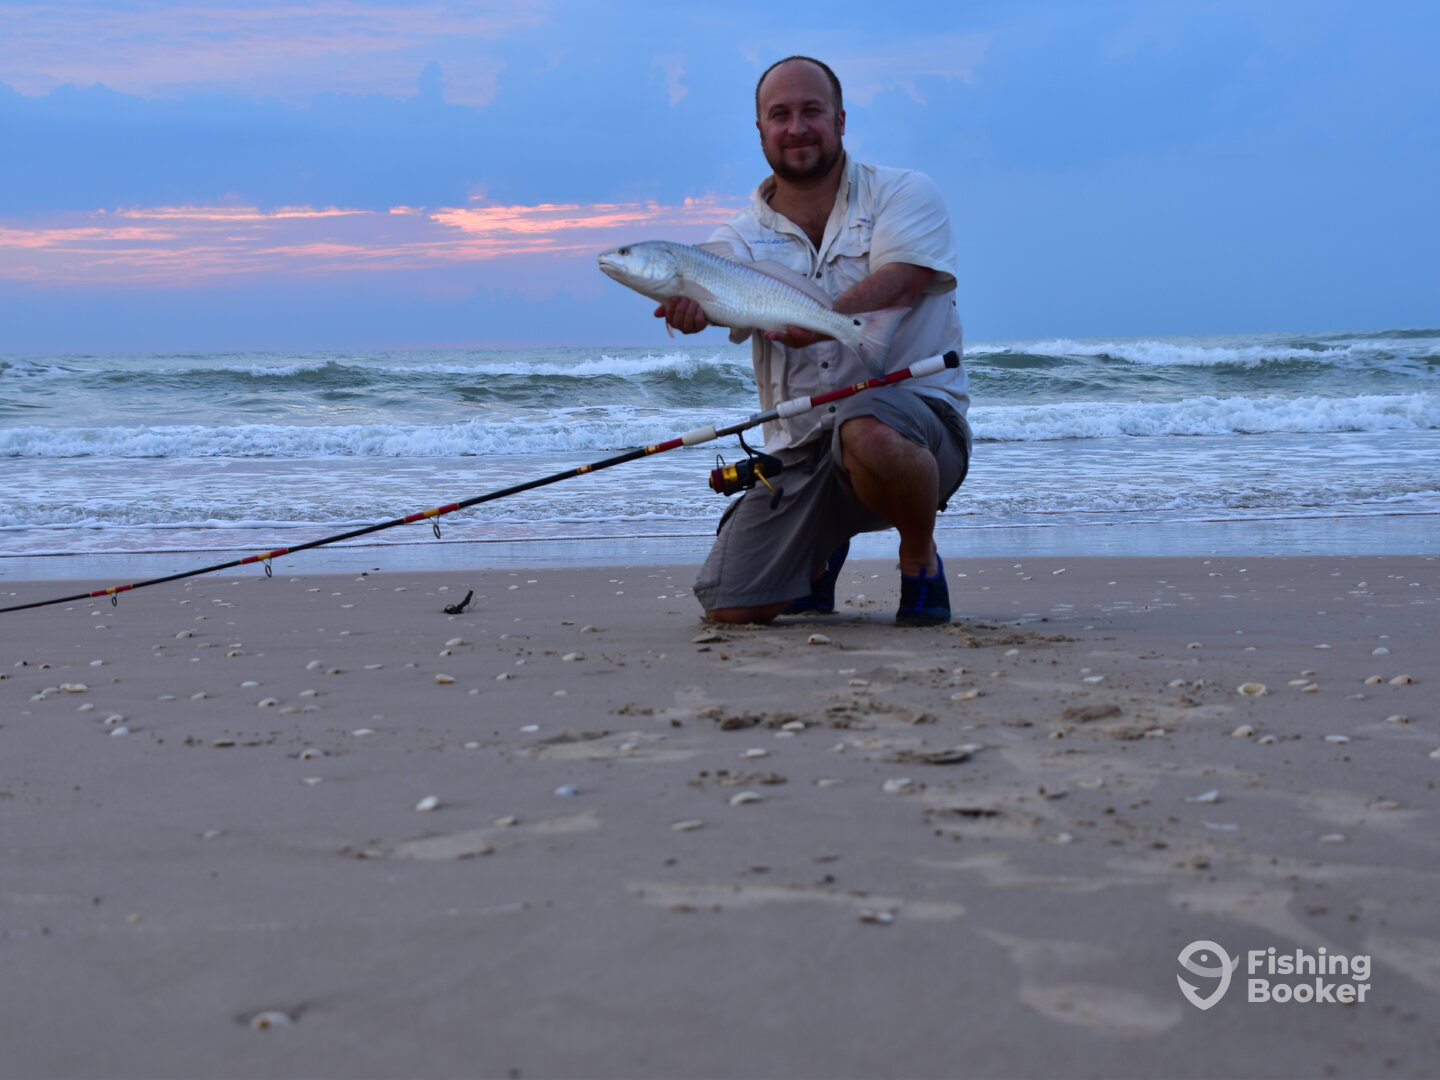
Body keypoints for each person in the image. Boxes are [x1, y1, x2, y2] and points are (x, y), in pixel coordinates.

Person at [655, 55, 971, 626]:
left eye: (812, 112)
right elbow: (714, 296)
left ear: (841, 120)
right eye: (780, 115)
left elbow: (905, 276)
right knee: (730, 607)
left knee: (864, 426)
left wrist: (824, 319)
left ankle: (919, 558)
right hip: (798, 450)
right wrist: (692, 311)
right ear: (760, 129)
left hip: (916, 433)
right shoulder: (735, 239)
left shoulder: (903, 192)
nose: (796, 128)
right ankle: (821, 552)